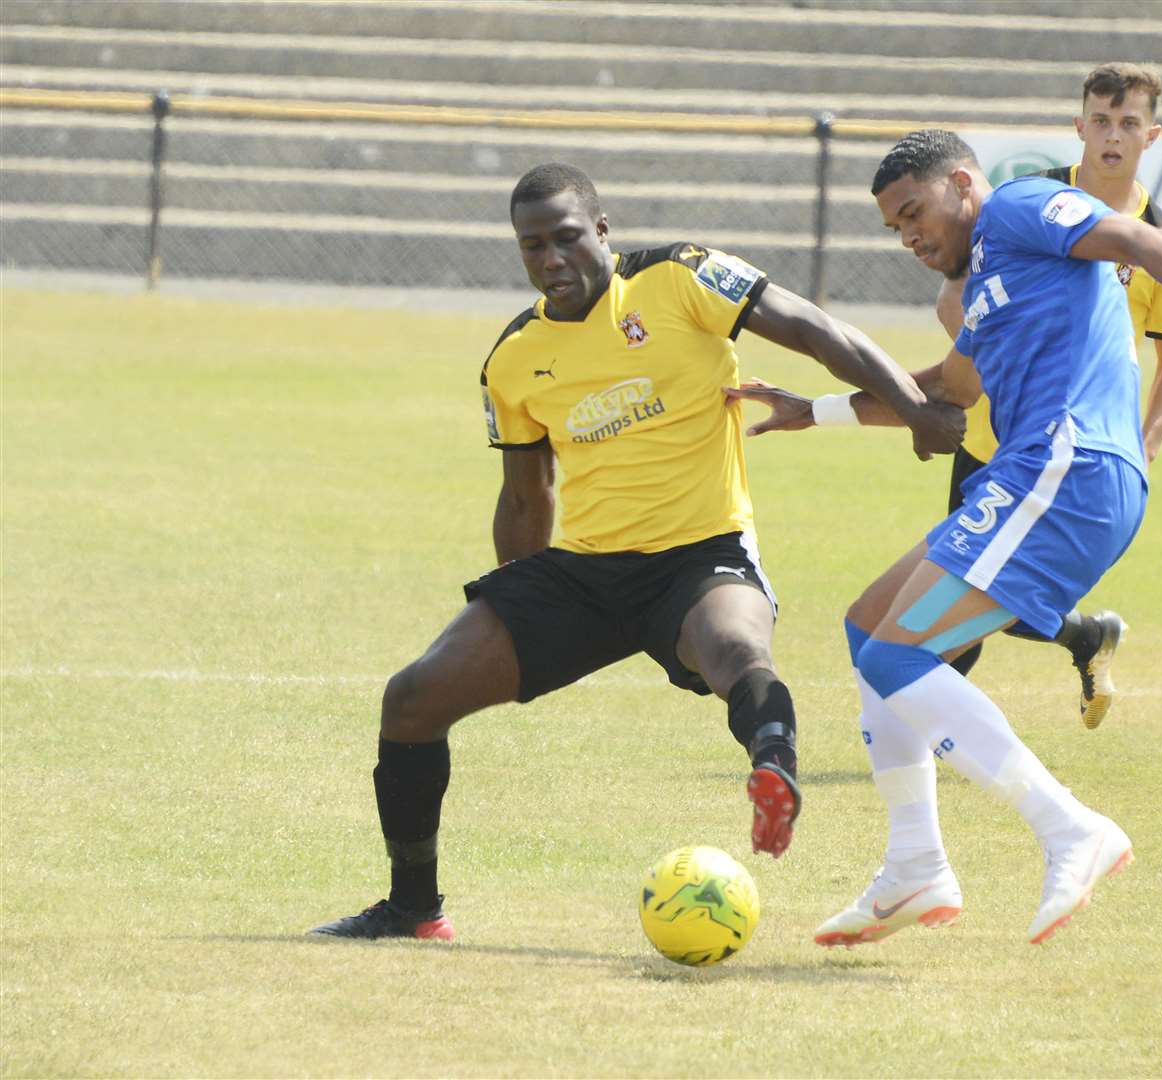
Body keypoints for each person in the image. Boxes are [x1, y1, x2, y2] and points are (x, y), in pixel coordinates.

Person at [309, 162, 962, 941]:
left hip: (702, 551)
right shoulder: (514, 358)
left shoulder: (681, 277)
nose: (551, 260)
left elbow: (818, 330)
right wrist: (520, 610)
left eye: (566, 239)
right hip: (585, 572)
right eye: (532, 247)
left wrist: (915, 408)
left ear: (604, 232)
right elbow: (526, 496)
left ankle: (774, 768)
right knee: (413, 698)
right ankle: (413, 908)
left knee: (735, 648)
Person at [736, 130, 1162, 947]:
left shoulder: (1020, 207)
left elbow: (1143, 238)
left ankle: (1070, 828)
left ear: (963, 183)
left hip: (1069, 468)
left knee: (899, 658)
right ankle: (914, 865)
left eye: (915, 212)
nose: (909, 237)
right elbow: (943, 394)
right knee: (869, 629)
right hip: (1036, 474)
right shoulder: (987, 284)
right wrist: (815, 409)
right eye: (895, 228)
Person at [736, 64, 1162, 732]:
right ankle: (1050, 667)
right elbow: (956, 366)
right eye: (1101, 120)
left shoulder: (1148, 239)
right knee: (907, 628)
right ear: (1080, 126)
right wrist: (821, 409)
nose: (1112, 136)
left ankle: (1045, 812)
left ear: (1150, 136)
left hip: (1067, 458)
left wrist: (1147, 440)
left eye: (1128, 124)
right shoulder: (1021, 210)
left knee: (920, 640)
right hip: (989, 444)